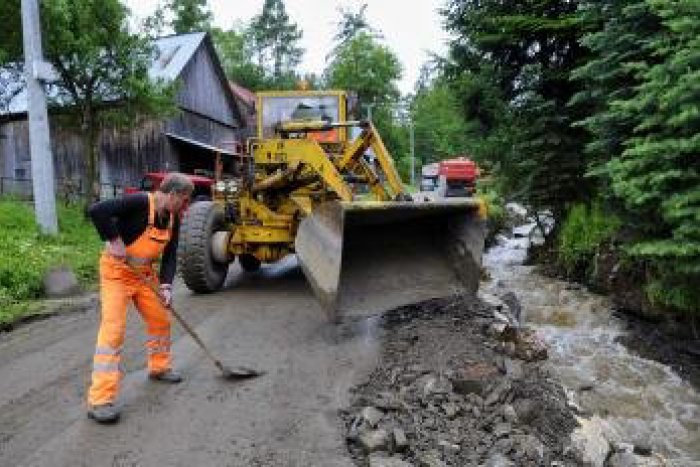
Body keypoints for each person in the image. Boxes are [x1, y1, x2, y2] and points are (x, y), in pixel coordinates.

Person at [86, 172, 193, 424]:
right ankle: (100, 399)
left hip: (144, 275)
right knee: (113, 331)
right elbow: (97, 210)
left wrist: (166, 286)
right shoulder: (140, 203)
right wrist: (114, 239)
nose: (186, 206)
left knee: (160, 320)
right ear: (173, 194)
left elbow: (170, 255)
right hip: (116, 274)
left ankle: (159, 367)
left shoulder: (172, 218)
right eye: (185, 200)